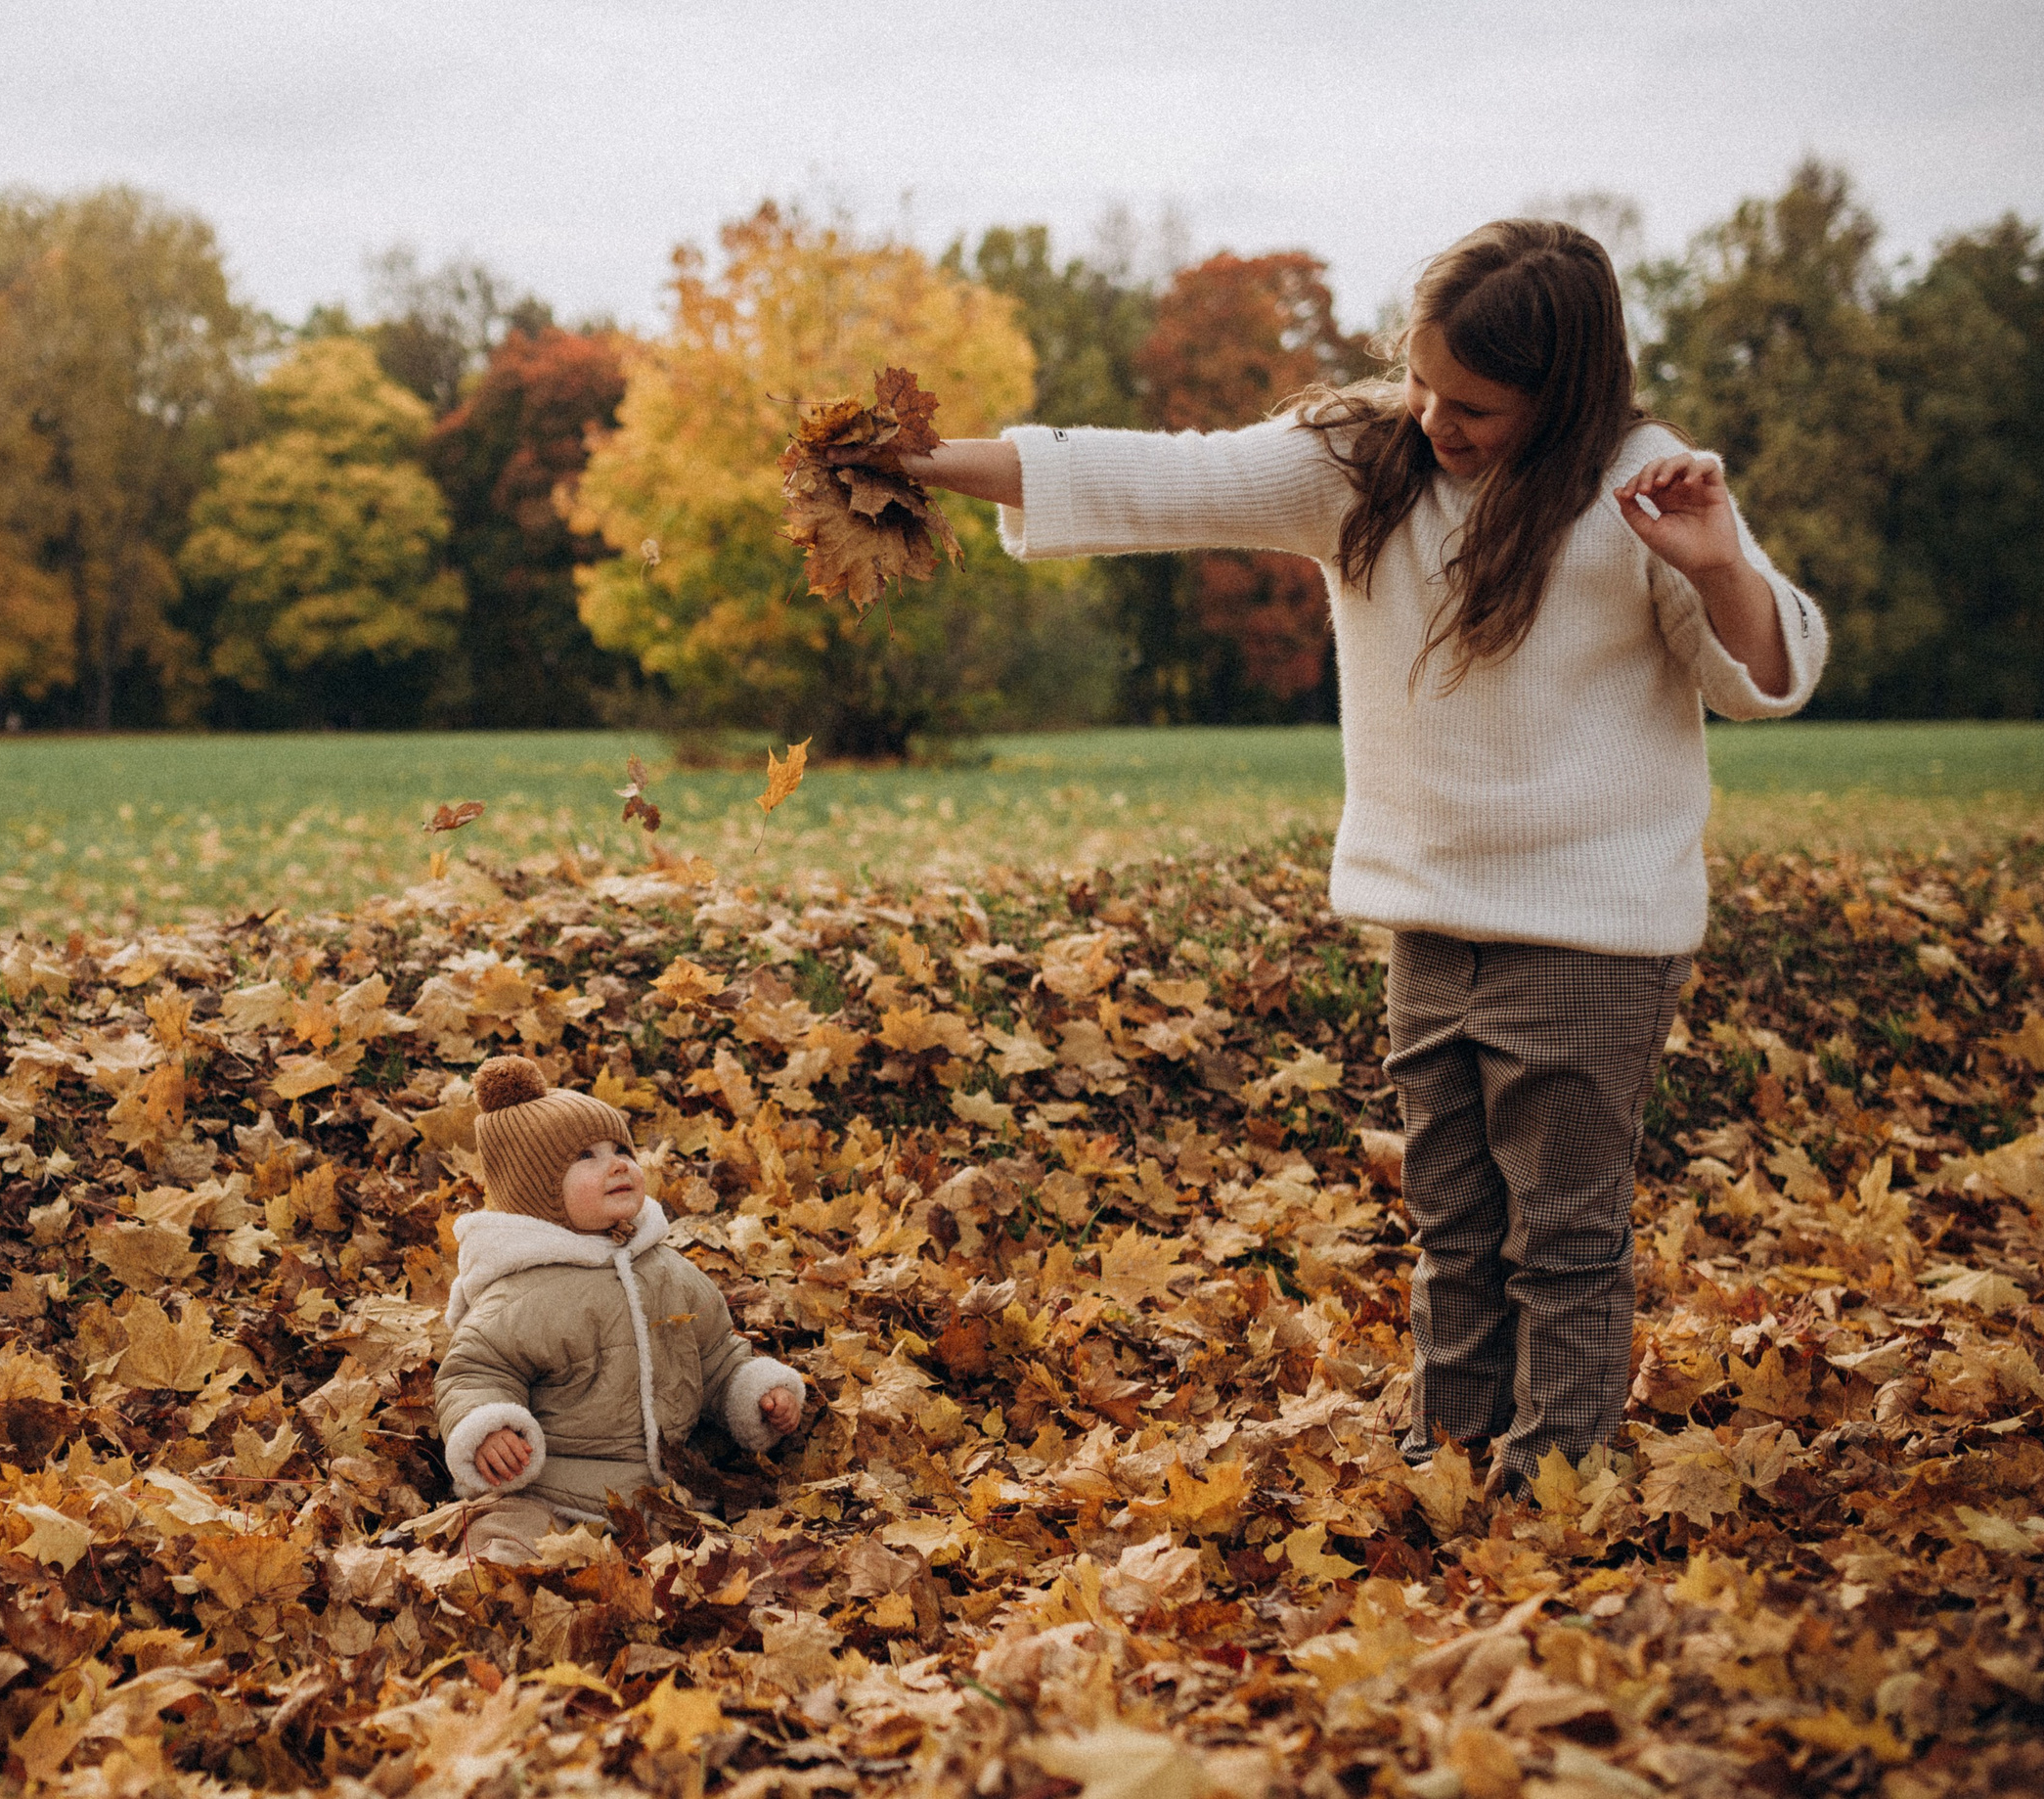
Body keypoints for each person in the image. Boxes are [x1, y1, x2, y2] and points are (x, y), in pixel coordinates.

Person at [904, 219, 1827, 1495]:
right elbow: (1151, 479)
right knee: (1454, 1227)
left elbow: (1767, 677)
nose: (1437, 417)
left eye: (1477, 404)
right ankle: (1446, 1461)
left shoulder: (1646, 484)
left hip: (1593, 930)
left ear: (1565, 393)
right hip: (1428, 918)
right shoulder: (1366, 460)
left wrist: (1720, 562)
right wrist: (919, 462)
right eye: (1423, 378)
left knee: (1558, 1237)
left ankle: (1550, 1491)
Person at [434, 1055, 806, 1561]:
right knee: (508, 1531)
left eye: (621, 1150)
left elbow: (715, 1353)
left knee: (719, 1557)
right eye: (586, 1155)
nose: (617, 1164)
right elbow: (475, 1371)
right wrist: (489, 1427)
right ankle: (508, 1575)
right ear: (537, 1192)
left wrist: (755, 1391)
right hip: (552, 1487)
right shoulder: (522, 1291)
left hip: (661, 1493)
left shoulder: (666, 1270)